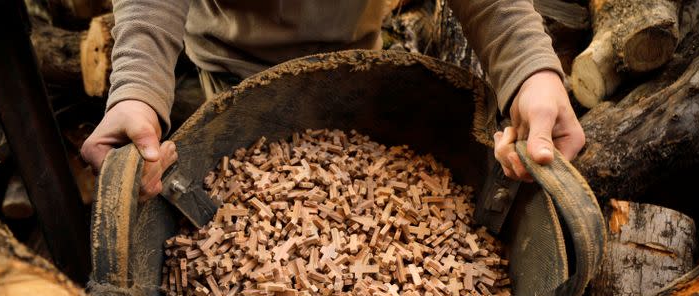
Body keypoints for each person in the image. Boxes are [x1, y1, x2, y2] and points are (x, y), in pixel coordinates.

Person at [81, 1, 585, 198]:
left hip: (354, 60)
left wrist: (530, 71)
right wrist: (138, 91)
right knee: (242, 178)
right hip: (233, 65)